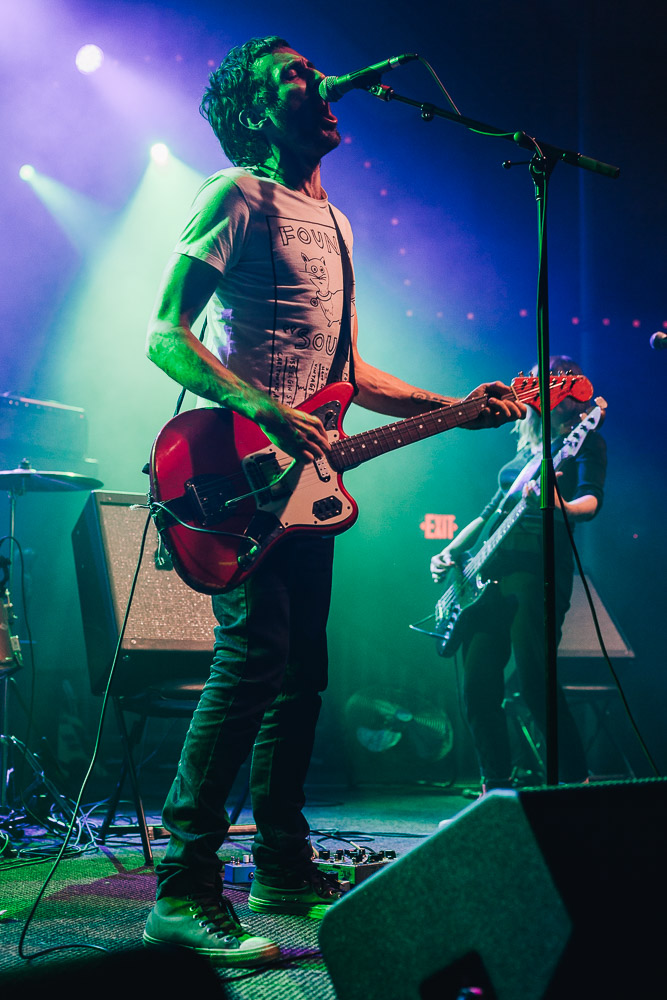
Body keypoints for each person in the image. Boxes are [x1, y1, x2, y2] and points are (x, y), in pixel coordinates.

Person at [142, 35, 525, 967]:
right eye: (293, 80)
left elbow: (349, 374)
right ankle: (182, 893)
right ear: (256, 112)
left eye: (314, 74)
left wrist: (456, 409)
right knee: (252, 663)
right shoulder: (234, 194)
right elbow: (164, 334)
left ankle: (280, 867)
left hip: (303, 489)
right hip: (230, 471)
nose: (318, 86)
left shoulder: (339, 222)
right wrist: (264, 409)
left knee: (300, 676)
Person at [430, 356, 607, 793]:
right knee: (477, 684)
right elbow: (489, 515)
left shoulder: (583, 443)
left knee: (534, 679)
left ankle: (575, 783)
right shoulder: (521, 457)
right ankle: (496, 789)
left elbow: (592, 501)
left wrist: (559, 506)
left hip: (538, 566)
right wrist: (451, 550)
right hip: (487, 573)